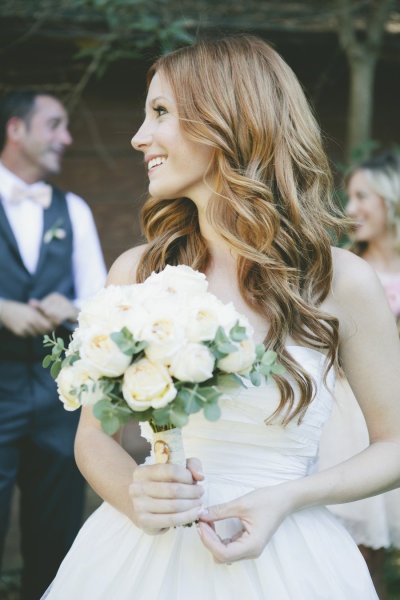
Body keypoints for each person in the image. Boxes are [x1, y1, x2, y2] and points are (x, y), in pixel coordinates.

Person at [42, 36, 400, 599]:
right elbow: (93, 439)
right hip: (139, 557)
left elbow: (395, 445)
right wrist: (137, 493)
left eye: (160, 113)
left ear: (230, 122)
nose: (139, 136)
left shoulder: (341, 280)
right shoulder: (138, 272)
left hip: (291, 557)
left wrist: (290, 497)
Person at [0, 89, 107, 600]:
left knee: (56, 531)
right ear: (15, 129)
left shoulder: (74, 210)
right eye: (55, 125)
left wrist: (73, 308)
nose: (66, 138)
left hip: (56, 395)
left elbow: (101, 302)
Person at [318, 150, 400, 599]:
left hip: (393, 414)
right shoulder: (343, 271)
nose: (350, 210)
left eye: (362, 196)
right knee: (348, 551)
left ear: (393, 199)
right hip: (346, 421)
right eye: (348, 196)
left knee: (385, 559)